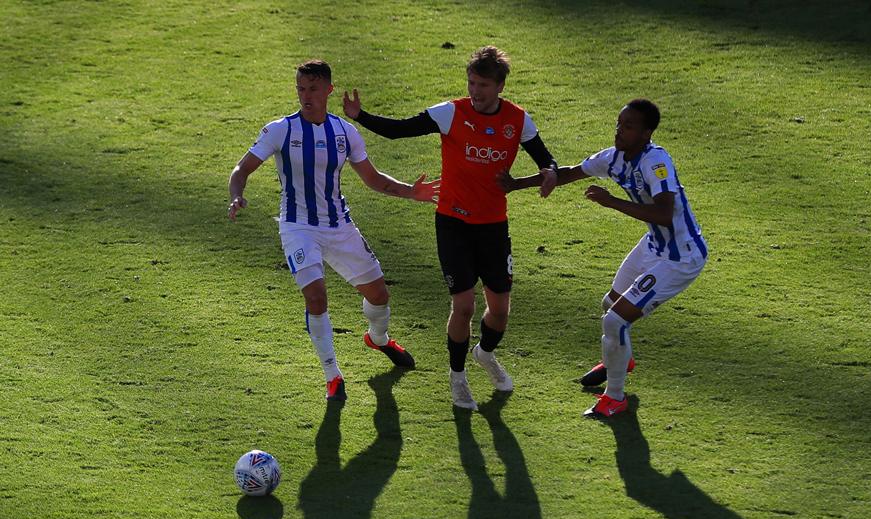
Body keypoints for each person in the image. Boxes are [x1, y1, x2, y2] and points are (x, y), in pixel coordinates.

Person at [342, 46, 558, 410]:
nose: (476, 91)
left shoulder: (518, 120)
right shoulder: (450, 113)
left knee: (500, 310)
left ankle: (485, 354)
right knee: (463, 305)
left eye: (484, 85)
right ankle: (457, 378)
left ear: (501, 86)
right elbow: (399, 131)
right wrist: (360, 115)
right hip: (453, 222)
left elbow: (544, 157)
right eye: (472, 83)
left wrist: (549, 171)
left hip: (493, 225)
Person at [228, 59, 439, 402]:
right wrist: (236, 195)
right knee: (316, 297)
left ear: (328, 90)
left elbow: (372, 179)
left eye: (312, 89)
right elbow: (242, 169)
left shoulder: (344, 132)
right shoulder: (281, 129)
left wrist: (410, 191)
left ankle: (379, 339)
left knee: (379, 296)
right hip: (298, 227)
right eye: (300, 89)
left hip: (340, 226)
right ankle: (333, 376)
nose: (305, 96)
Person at [499, 99, 708, 418]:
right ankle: (621, 359)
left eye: (629, 126)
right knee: (610, 306)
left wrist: (612, 202)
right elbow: (568, 173)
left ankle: (615, 397)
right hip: (654, 245)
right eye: (619, 124)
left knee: (615, 321)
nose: (620, 131)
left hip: (680, 258)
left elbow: (665, 213)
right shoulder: (614, 159)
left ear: (646, 132)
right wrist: (516, 185)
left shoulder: (656, 162)